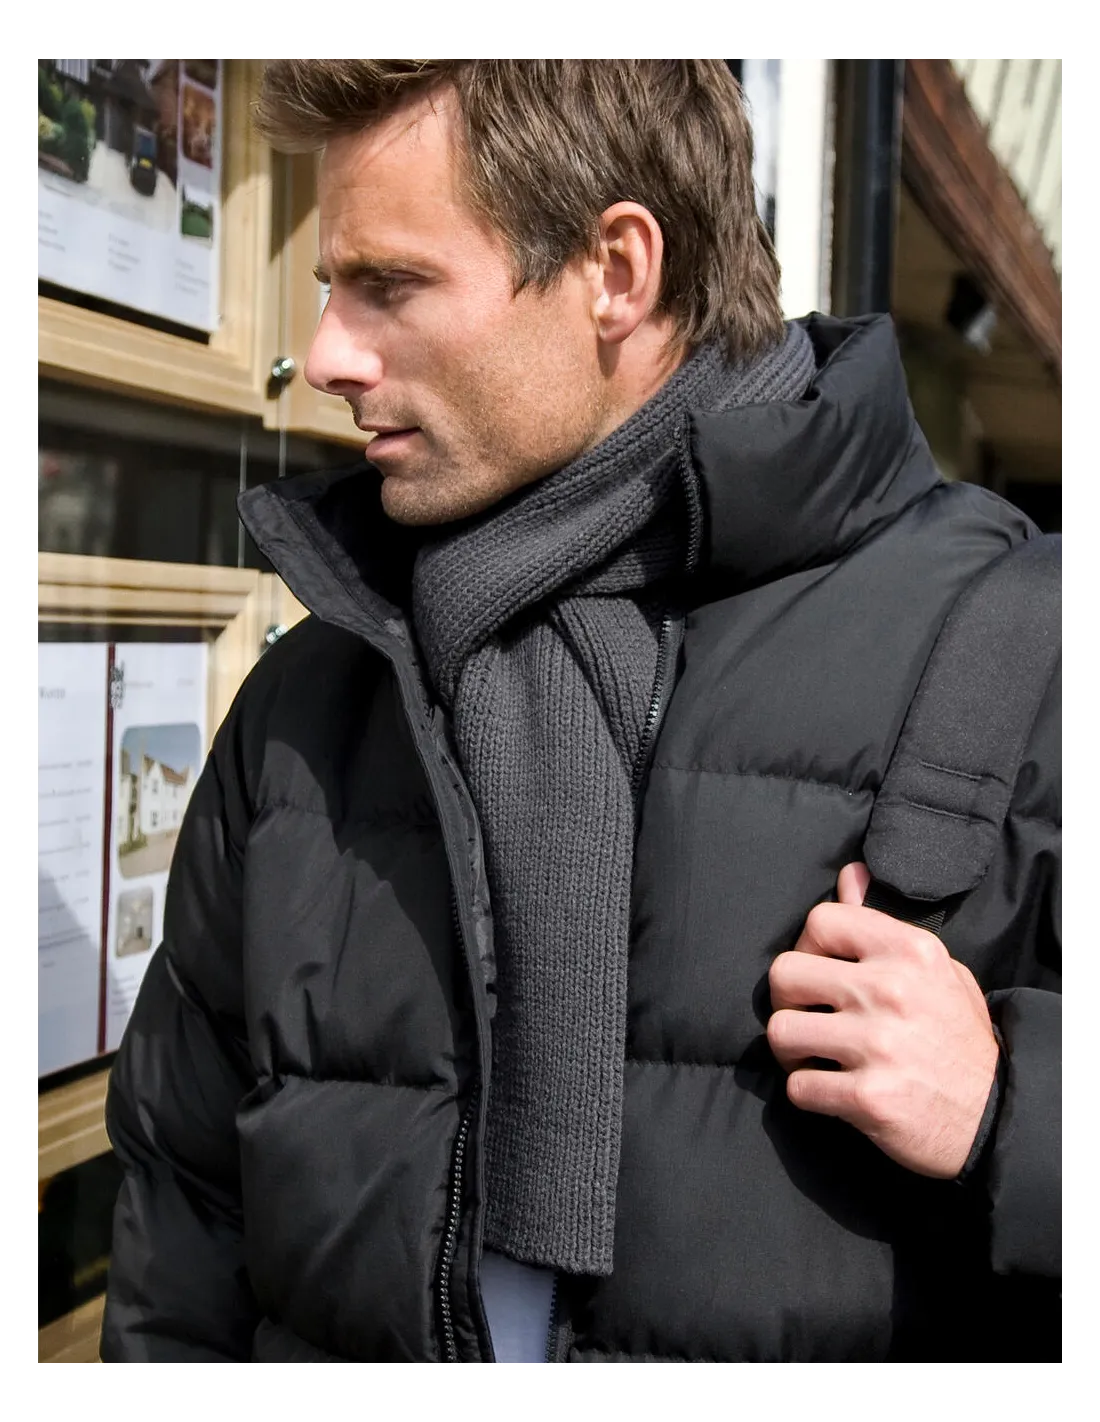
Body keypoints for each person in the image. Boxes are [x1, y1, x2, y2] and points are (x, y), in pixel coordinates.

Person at [99, 58, 1062, 1368]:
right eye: (329, 289)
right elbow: (181, 1228)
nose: (326, 356)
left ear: (616, 271)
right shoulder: (312, 696)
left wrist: (1014, 1112)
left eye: (391, 286)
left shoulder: (1030, 650)